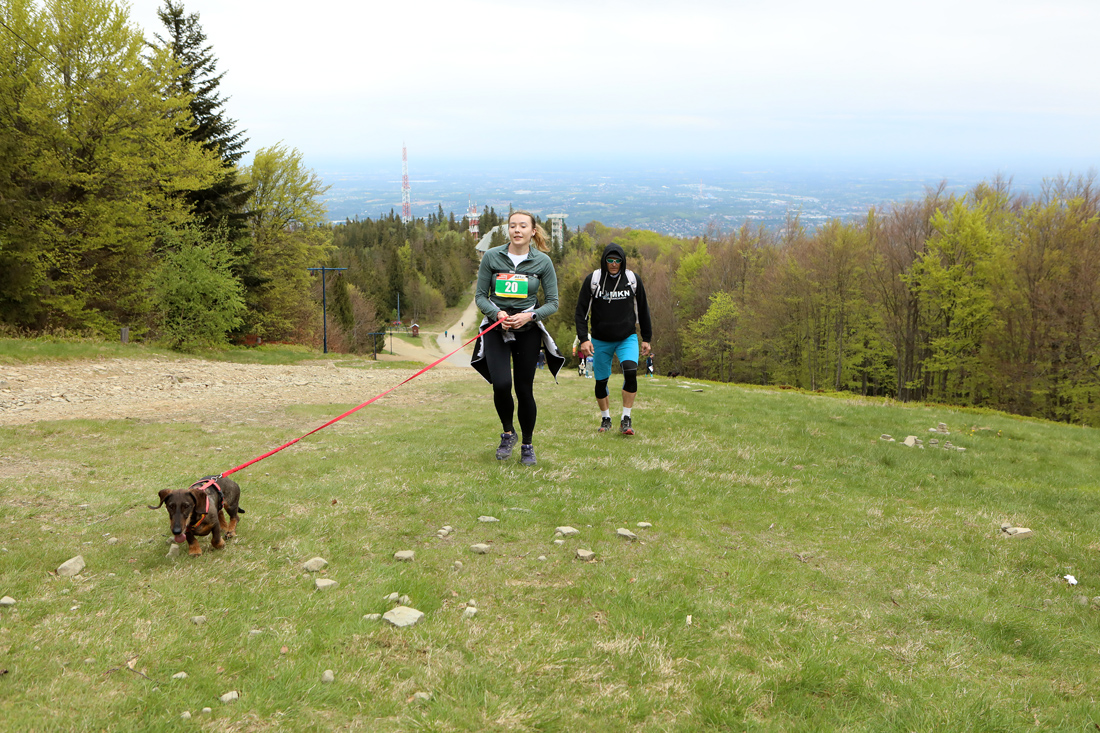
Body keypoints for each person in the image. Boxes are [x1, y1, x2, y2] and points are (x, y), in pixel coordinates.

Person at [471, 210, 564, 465]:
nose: (517, 230)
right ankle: (508, 433)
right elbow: (480, 296)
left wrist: (529, 316)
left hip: (527, 332)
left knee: (524, 389)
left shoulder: (542, 262)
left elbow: (553, 303)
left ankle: (527, 445)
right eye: (513, 226)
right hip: (496, 329)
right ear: (508, 230)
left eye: (523, 226)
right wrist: (497, 313)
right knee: (501, 384)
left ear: (533, 231)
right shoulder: (492, 257)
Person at [574, 242, 652, 435]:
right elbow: (581, 312)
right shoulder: (593, 280)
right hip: (600, 339)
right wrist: (584, 339)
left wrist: (646, 338)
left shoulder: (632, 280)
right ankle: (606, 418)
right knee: (601, 381)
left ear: (623, 261)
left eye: (618, 260)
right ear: (604, 261)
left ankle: (626, 418)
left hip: (627, 337)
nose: (614, 264)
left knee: (631, 372)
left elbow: (643, 310)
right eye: (610, 260)